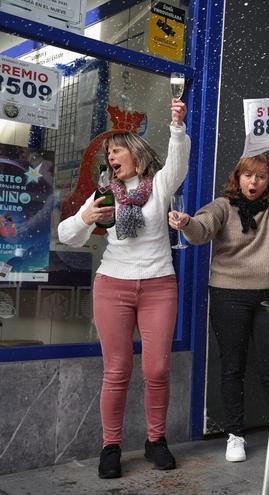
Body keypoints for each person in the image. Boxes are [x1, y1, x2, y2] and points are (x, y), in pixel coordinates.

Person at [169, 118, 269, 463]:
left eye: (261, 176)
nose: (254, 182)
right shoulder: (222, 206)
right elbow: (201, 230)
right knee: (232, 368)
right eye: (248, 175)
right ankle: (235, 435)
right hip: (229, 295)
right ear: (237, 177)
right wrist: (185, 223)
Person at [58, 98, 190, 479]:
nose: (111, 156)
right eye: (108, 153)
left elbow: (178, 161)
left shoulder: (160, 185)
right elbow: (68, 236)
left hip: (158, 286)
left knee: (158, 368)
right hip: (112, 285)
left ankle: (156, 440)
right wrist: (86, 217)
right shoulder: (104, 191)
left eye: (117, 150)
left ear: (134, 153)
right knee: (116, 370)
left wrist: (176, 127)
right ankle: (111, 446)